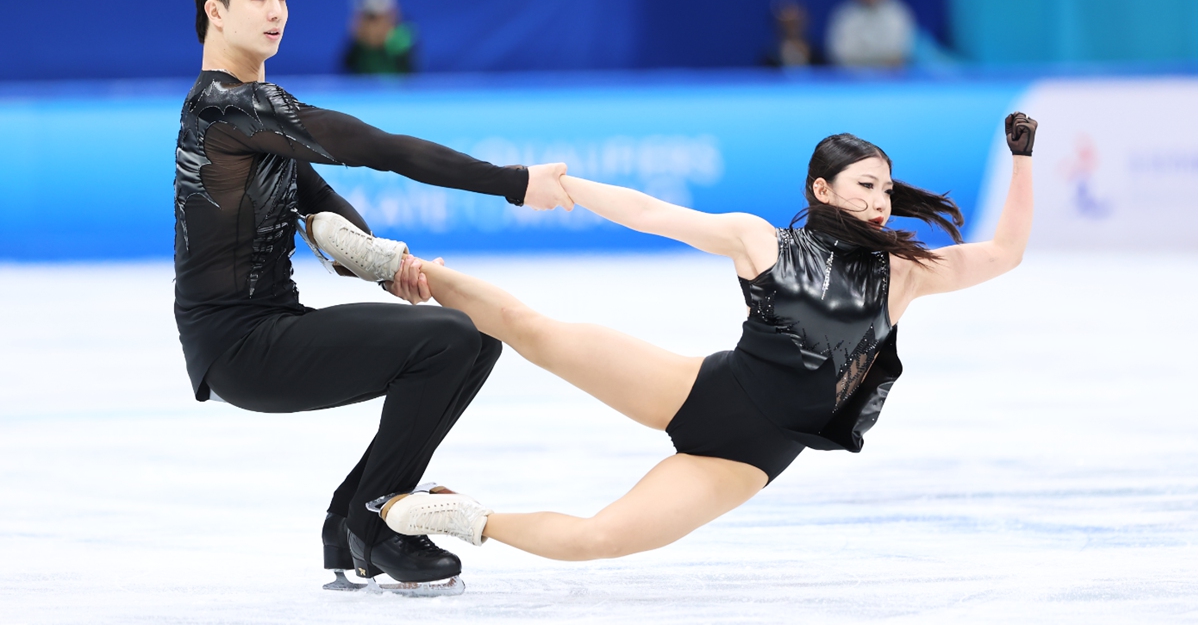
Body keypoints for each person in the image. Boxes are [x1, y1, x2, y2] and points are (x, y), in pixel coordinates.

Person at [314, 112, 1037, 561]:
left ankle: (461, 514)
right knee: (533, 330)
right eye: (865, 186)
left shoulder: (902, 274)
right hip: (703, 389)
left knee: (600, 539)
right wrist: (572, 187)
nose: (880, 202)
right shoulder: (762, 241)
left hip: (747, 457)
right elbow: (655, 214)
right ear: (822, 189)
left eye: (885, 189)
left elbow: (1003, 255)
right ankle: (396, 264)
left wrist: (1023, 160)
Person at [175, 0, 571, 592]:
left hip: (268, 330)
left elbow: (323, 204)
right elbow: (380, 147)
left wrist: (387, 263)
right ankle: (375, 518)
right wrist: (513, 182)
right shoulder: (226, 106)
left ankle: (350, 522)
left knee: (474, 336)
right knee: (447, 338)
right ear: (216, 12)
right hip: (240, 345)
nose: (276, 12)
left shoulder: (257, 114)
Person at [825, 0, 916, 68]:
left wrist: (864, 55)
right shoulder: (844, 15)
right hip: (851, 80)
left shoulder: (898, 14)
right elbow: (840, 53)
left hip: (890, 81)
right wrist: (879, 57)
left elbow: (898, 53)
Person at [341, 0, 418, 75]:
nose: (372, 25)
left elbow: (409, 72)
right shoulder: (357, 41)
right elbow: (346, 67)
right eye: (368, 17)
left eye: (374, 17)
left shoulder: (403, 37)